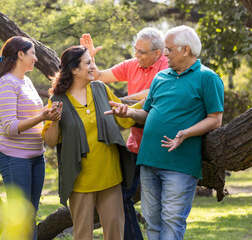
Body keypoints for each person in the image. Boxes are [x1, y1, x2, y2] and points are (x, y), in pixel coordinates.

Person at [105, 25, 224, 240]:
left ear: (186, 50)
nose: (165, 54)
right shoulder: (161, 78)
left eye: (169, 49)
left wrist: (186, 133)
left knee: (172, 220)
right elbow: (147, 115)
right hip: (149, 159)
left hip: (179, 164)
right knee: (152, 221)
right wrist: (129, 112)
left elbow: (215, 119)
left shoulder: (208, 78)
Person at [80, 27, 168, 240]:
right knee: (121, 196)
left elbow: (153, 93)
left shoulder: (167, 65)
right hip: (136, 144)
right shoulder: (132, 63)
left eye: (141, 52)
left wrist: (122, 103)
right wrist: (89, 59)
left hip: (162, 144)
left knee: (160, 205)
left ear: (157, 53)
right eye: (135, 50)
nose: (136, 55)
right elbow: (99, 77)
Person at [42, 45, 137, 240]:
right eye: (88, 63)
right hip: (80, 180)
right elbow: (50, 141)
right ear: (74, 70)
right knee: (83, 235)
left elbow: (125, 119)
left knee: (115, 233)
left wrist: (152, 97)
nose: (93, 67)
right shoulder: (58, 100)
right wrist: (54, 121)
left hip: (110, 175)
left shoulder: (100, 89)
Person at [0, 36, 61, 240]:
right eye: (33, 53)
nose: (36, 58)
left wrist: (50, 112)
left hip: (36, 155)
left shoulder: (25, 81)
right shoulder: (6, 83)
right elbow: (9, 127)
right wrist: (42, 116)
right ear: (20, 55)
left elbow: (32, 115)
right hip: (14, 156)